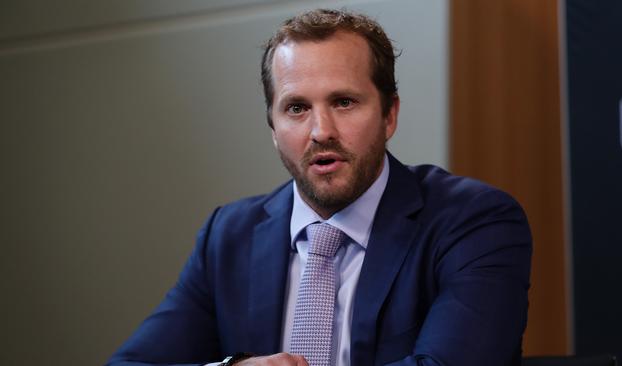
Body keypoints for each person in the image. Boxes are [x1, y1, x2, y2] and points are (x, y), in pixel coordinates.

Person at [107, 9, 532, 366]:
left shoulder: (474, 221)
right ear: (274, 128)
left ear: (389, 116)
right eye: (296, 108)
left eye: (344, 102)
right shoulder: (228, 236)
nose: (320, 131)